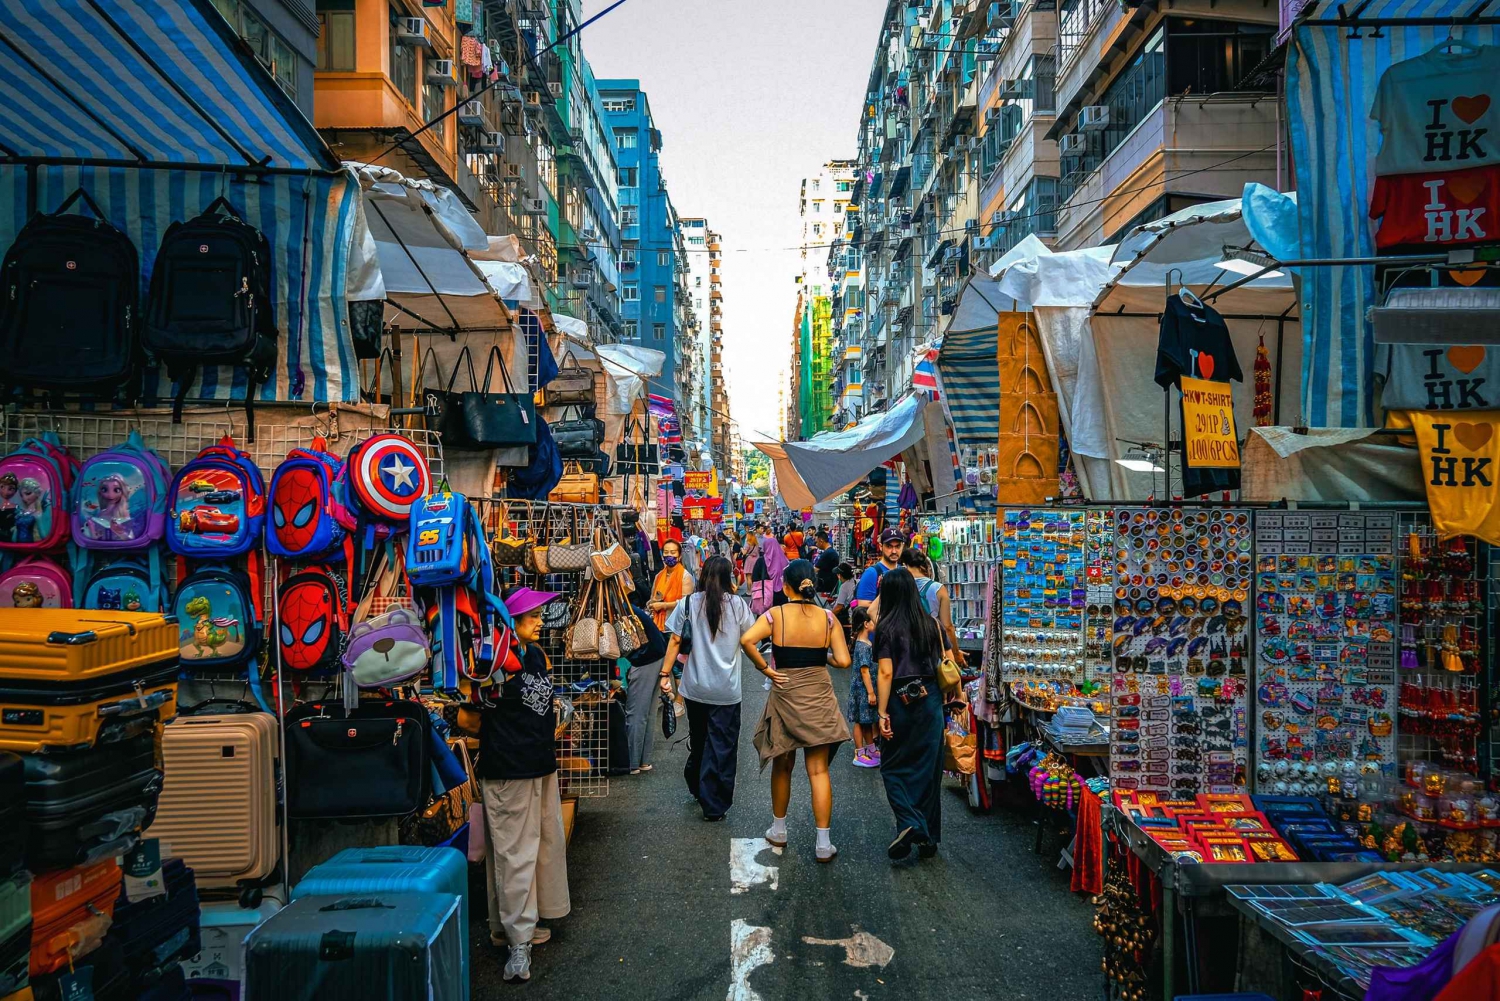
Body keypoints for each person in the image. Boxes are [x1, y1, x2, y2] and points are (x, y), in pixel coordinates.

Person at [477, 587, 572, 983]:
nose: (539, 621)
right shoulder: (491, 660)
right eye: (532, 615)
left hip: (538, 764)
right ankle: (518, 944)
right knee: (514, 854)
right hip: (507, 768)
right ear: (510, 621)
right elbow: (470, 712)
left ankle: (513, 927)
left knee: (536, 846)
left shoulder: (534, 654)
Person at [740, 560, 852, 862]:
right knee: (818, 770)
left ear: (786, 586)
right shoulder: (828, 618)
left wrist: (766, 669)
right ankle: (823, 843)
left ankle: (779, 829)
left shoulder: (775, 616)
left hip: (786, 692)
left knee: (783, 764)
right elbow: (843, 661)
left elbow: (747, 640)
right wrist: (820, 656)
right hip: (818, 695)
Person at [659, 555, 757, 821]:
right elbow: (752, 639)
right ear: (728, 579)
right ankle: (713, 804)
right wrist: (766, 668)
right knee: (722, 746)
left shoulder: (688, 603)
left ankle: (696, 782)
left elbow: (675, 641)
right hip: (726, 690)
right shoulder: (737, 605)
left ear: (702, 576)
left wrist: (665, 674)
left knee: (700, 739)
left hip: (695, 688)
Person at [872, 568, 945, 861]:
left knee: (892, 765)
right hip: (931, 699)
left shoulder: (886, 628)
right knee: (928, 769)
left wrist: (881, 711)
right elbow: (944, 661)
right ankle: (928, 837)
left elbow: (886, 671)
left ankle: (909, 822)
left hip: (901, 700)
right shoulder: (931, 624)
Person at [621, 599, 668, 775]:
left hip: (646, 658)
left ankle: (632, 763)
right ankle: (643, 760)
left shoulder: (615, 608)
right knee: (647, 712)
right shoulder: (625, 604)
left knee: (636, 713)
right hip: (657, 653)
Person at [847, 608, 880, 768]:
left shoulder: (864, 643)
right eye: (872, 621)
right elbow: (864, 670)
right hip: (863, 689)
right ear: (866, 624)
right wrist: (871, 692)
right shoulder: (863, 646)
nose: (874, 623)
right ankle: (859, 752)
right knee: (860, 721)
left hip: (863, 688)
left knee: (867, 720)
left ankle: (870, 748)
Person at [853, 528, 904, 607]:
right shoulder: (872, 573)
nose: (894, 551)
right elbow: (863, 605)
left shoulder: (903, 572)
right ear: (881, 546)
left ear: (902, 546)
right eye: (889, 546)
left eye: (897, 546)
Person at [812, 530, 840, 596]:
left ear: (821, 541)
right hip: (829, 583)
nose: (816, 544)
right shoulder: (830, 552)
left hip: (826, 586)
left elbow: (816, 569)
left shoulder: (827, 553)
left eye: (816, 542)